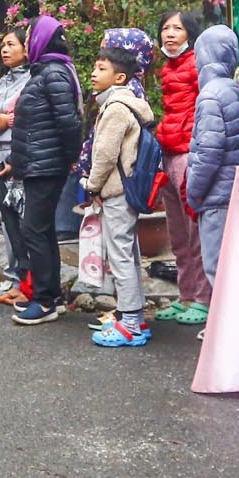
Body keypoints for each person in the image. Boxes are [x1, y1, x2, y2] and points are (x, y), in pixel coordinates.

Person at [8, 15, 82, 325]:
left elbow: (69, 123)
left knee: (33, 230)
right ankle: (51, 295)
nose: (26, 43)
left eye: (28, 38)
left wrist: (68, 159)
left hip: (47, 165)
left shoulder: (53, 74)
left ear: (40, 40)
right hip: (41, 163)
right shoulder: (47, 72)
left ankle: (44, 300)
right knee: (42, 229)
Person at [83, 43, 155, 347]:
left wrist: (92, 186)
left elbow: (104, 155)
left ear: (120, 78)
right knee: (129, 253)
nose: (93, 73)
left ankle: (129, 324)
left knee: (120, 256)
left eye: (102, 69)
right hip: (127, 191)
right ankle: (135, 317)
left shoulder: (115, 109)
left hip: (116, 191)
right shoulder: (127, 105)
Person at [184, 25, 239, 313]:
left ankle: (227, 335)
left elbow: (208, 152)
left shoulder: (209, 95)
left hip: (214, 195)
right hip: (231, 189)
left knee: (216, 267)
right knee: (232, 263)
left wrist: (193, 191)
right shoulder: (232, 89)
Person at [152, 10, 208, 326]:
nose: (170, 33)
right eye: (165, 28)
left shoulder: (197, 64)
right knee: (177, 232)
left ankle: (202, 299)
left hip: (188, 153)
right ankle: (185, 296)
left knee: (195, 230)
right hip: (169, 151)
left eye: (178, 28)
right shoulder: (167, 67)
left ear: (191, 34)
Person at [0, 28, 32, 302]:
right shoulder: (3, 80)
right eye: (2, 44)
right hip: (0, 150)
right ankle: (14, 278)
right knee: (8, 221)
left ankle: (26, 282)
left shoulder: (33, 78)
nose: (4, 49)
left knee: (24, 221)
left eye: (10, 44)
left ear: (26, 49)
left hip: (20, 152)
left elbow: (26, 116)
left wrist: (8, 121)